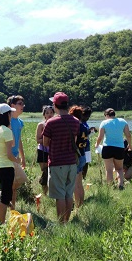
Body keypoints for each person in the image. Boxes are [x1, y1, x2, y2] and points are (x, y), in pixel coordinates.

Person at [42, 92, 79, 223]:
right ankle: (66, 221)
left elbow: (45, 143)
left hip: (57, 162)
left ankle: (60, 223)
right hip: (72, 163)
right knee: (69, 193)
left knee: (59, 195)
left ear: (55, 105)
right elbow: (74, 140)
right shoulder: (75, 121)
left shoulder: (51, 123)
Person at [0, 103, 20, 223]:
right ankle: (1, 222)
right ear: (7, 115)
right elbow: (9, 152)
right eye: (10, 113)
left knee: (5, 196)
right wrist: (17, 160)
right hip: (6, 167)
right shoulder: (6, 131)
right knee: (5, 198)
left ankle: (0, 219)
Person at [95, 108, 132, 190]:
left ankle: (110, 187)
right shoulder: (122, 121)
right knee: (119, 168)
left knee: (108, 170)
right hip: (119, 148)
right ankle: (121, 185)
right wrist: (130, 146)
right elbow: (128, 135)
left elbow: (100, 137)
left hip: (107, 148)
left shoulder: (104, 123)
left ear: (107, 115)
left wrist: (96, 144)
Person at [7, 95, 28, 209]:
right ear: (12, 106)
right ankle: (8, 203)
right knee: (12, 183)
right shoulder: (7, 120)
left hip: (15, 156)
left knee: (17, 182)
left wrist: (23, 157)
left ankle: (12, 207)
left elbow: (19, 140)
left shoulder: (19, 122)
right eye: (20, 104)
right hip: (7, 156)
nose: (22, 106)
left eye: (22, 104)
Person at [69, 105, 89, 207]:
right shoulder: (85, 127)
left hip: (76, 156)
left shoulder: (76, 126)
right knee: (80, 183)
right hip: (83, 155)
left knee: (75, 184)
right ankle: (81, 203)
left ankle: (77, 206)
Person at [35, 105, 54, 195]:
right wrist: (47, 141)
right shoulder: (41, 125)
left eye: (51, 112)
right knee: (45, 171)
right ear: (44, 115)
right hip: (43, 150)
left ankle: (52, 192)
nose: (49, 114)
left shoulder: (56, 123)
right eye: (47, 113)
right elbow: (38, 140)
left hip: (53, 151)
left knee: (53, 172)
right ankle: (44, 193)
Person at [80, 105, 98, 180]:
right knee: (80, 161)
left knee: (86, 161)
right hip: (80, 144)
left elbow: (86, 134)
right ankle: (79, 177)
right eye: (86, 116)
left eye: (89, 116)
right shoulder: (79, 122)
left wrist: (91, 130)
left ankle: (83, 177)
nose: (87, 118)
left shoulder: (85, 122)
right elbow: (80, 133)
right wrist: (89, 131)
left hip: (86, 144)